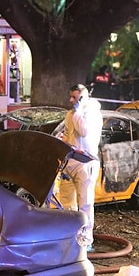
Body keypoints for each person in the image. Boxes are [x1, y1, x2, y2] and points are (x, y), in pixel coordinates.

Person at [59, 84, 103, 251]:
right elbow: (68, 136)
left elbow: (84, 131)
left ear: (83, 97)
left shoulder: (91, 113)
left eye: (75, 97)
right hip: (70, 162)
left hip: (86, 163)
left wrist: (77, 112)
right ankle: (69, 237)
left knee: (85, 203)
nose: (71, 100)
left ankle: (85, 240)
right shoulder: (71, 114)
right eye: (70, 96)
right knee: (67, 203)